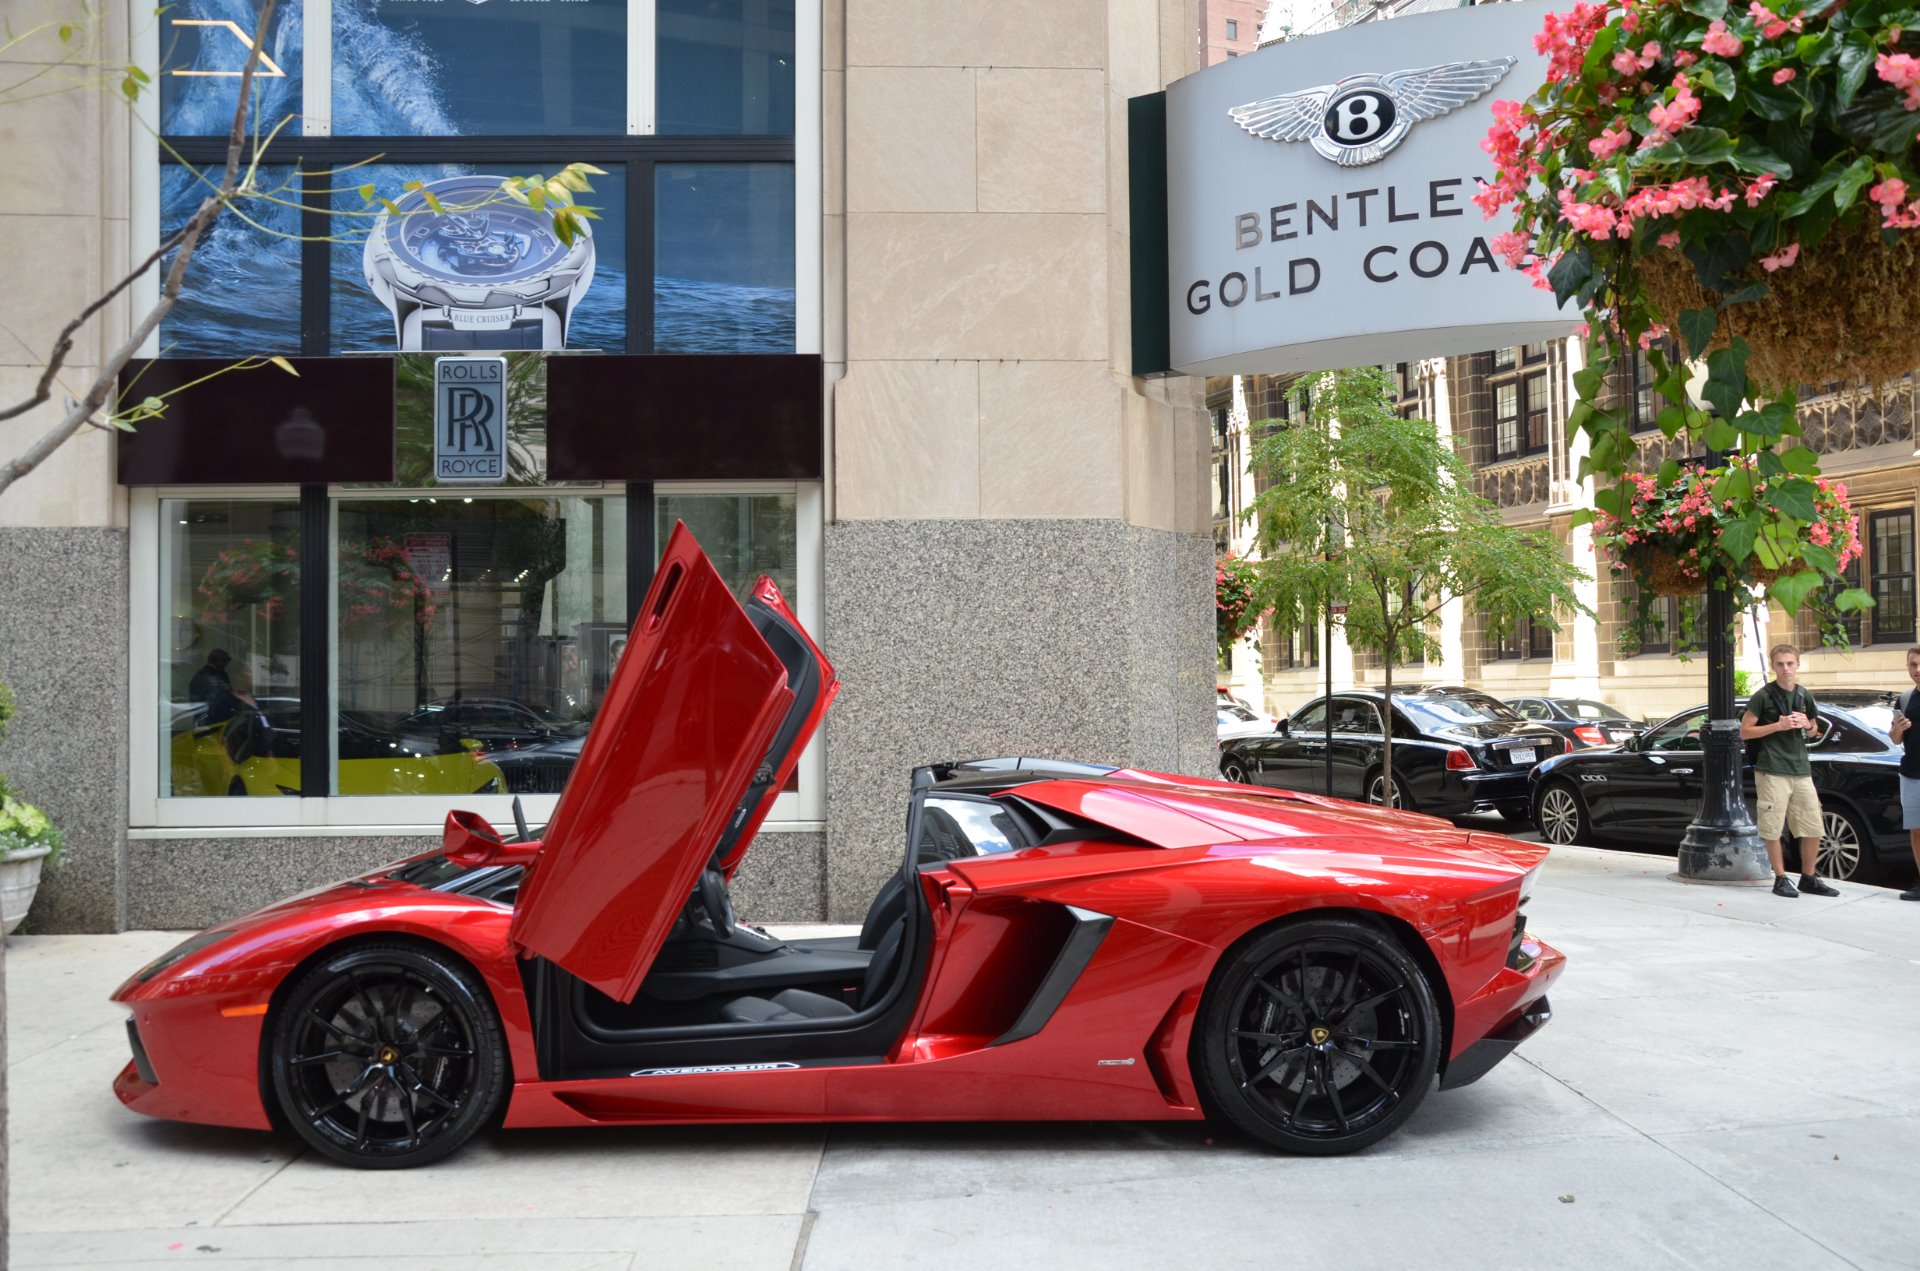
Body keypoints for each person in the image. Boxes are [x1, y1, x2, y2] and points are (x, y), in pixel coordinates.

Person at [1740, 642, 1838, 898]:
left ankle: (1809, 876)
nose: (1785, 669)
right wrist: (1777, 726)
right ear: (1773, 666)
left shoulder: (1804, 695)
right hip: (1772, 769)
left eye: (1790, 663)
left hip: (1800, 769)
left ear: (1797, 665)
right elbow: (1745, 731)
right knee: (1773, 826)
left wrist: (1807, 725)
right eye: (1780, 664)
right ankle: (1780, 878)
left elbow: (1815, 729)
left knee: (1813, 824)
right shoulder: (1763, 696)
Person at [1886, 645, 1920, 901]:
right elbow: (1895, 739)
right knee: (1917, 831)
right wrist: (1898, 728)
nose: (1917, 670)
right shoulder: (1906, 699)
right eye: (1912, 665)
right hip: (1911, 774)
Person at [187, 648, 249, 726]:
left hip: (206, 717)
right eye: (225, 661)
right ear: (218, 660)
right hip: (212, 719)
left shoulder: (202, 675)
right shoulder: (212, 676)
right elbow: (222, 696)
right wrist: (240, 706)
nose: (226, 664)